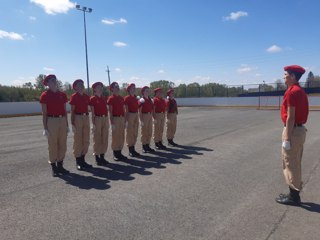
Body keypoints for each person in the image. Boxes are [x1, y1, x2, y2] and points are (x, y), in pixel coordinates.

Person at [275, 65, 309, 206]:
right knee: (295, 162)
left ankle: (294, 197)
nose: (284, 77)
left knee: (290, 163)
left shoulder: (292, 92)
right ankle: (292, 193)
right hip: (299, 130)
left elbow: (290, 117)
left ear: (293, 76)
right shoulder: (299, 91)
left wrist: (287, 137)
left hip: (293, 131)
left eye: (286, 74)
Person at [39, 74, 70, 177]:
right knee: (52, 145)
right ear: (47, 83)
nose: (54, 82)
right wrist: (45, 128)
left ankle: (60, 165)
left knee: (62, 144)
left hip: (62, 119)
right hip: (51, 120)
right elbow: (44, 113)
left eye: (55, 80)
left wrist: (67, 124)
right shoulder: (44, 95)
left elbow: (65, 111)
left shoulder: (62, 95)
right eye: (51, 81)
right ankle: (54, 167)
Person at [69, 79, 92, 170]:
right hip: (78, 117)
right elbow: (72, 111)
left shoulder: (86, 96)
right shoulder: (74, 96)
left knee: (86, 139)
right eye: (79, 84)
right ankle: (78, 161)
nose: (82, 86)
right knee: (78, 140)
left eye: (82, 84)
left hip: (86, 117)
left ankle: (83, 160)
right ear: (76, 87)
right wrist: (72, 124)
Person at [89, 82, 110, 166]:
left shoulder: (104, 98)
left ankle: (102, 156)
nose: (100, 89)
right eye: (98, 87)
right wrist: (93, 124)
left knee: (104, 137)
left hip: (105, 118)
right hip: (97, 118)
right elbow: (93, 112)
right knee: (97, 138)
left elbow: (106, 109)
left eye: (101, 87)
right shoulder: (92, 99)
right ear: (94, 89)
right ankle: (97, 157)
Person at [107, 82, 127, 161]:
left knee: (121, 136)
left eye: (118, 87)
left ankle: (119, 152)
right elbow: (110, 112)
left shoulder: (121, 98)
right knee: (115, 136)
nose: (118, 88)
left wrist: (125, 121)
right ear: (112, 89)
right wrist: (111, 123)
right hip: (115, 118)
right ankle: (115, 153)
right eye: (116, 87)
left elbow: (123, 110)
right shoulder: (111, 98)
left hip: (121, 118)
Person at [124, 83, 141, 157]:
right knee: (130, 133)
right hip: (130, 115)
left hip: (136, 114)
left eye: (134, 88)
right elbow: (126, 110)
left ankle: (133, 148)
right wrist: (126, 120)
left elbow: (138, 107)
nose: (134, 89)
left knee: (135, 132)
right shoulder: (127, 98)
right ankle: (130, 150)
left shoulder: (136, 98)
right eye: (132, 88)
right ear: (129, 90)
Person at [139, 86, 155, 153]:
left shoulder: (150, 100)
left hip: (149, 115)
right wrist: (141, 120)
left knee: (149, 131)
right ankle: (144, 146)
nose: (148, 92)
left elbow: (152, 109)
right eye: (146, 91)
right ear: (143, 92)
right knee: (144, 132)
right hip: (144, 115)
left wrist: (152, 116)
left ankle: (148, 145)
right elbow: (139, 111)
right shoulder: (141, 100)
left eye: (148, 91)